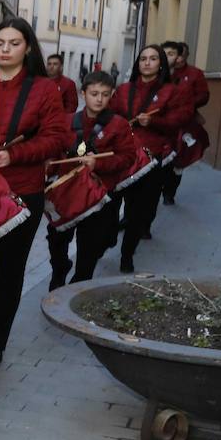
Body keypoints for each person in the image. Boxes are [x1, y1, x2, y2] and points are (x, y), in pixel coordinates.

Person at [0, 17, 68, 370]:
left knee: (9, 271)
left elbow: (57, 138)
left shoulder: (43, 89)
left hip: (22, 192)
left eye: (14, 43)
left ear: (28, 48)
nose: (5, 49)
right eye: (0, 43)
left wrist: (15, 154)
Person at [46, 71, 137, 289]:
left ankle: (79, 286)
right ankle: (60, 270)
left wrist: (99, 164)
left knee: (89, 248)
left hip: (99, 196)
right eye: (94, 93)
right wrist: (48, 164)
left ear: (112, 95)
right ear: (83, 93)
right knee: (56, 239)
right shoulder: (67, 121)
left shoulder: (119, 125)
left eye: (105, 94)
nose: (99, 99)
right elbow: (54, 148)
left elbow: (127, 158)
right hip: (67, 193)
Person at [112, 44, 186, 272]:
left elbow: (178, 122)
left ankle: (127, 255)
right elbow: (111, 115)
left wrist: (153, 122)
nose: (147, 62)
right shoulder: (124, 89)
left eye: (153, 58)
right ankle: (108, 239)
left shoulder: (171, 91)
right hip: (121, 157)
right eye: (143, 58)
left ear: (161, 63)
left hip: (151, 160)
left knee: (137, 211)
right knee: (110, 206)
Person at [161, 40, 210, 205]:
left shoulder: (195, 74)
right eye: (174, 54)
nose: (178, 58)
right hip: (162, 123)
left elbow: (203, 96)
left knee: (180, 160)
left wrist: (187, 104)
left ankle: (169, 192)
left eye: (181, 54)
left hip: (184, 123)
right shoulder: (162, 73)